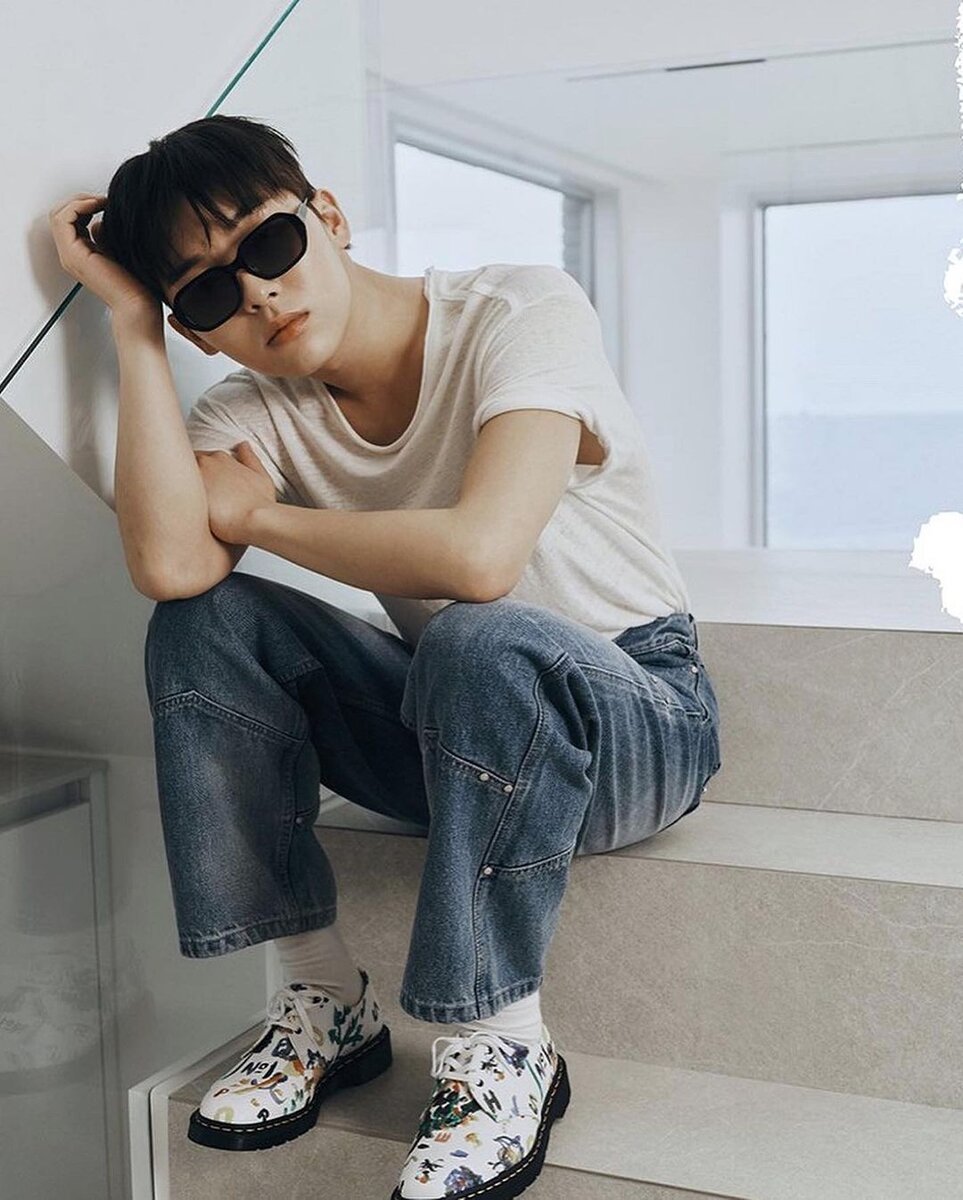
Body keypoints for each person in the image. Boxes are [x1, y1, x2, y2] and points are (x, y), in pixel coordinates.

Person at [48, 113, 722, 1200]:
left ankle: (502, 1043)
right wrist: (130, 327)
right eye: (207, 294)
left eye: (268, 244)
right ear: (197, 332)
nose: (257, 294)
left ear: (329, 216)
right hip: (452, 727)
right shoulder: (248, 404)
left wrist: (258, 517)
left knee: (474, 628)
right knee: (204, 623)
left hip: (636, 713)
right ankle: (324, 997)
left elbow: (482, 556)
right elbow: (172, 567)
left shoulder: (518, 309)